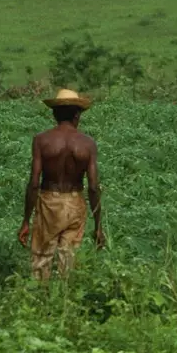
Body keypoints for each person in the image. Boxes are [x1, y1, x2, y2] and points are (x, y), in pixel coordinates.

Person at [18, 88, 105, 280]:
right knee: (69, 257)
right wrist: (98, 224)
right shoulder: (87, 143)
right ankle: (66, 299)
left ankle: (41, 299)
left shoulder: (42, 141)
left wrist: (26, 220)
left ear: (55, 114)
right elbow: (93, 186)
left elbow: (34, 182)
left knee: (42, 257)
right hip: (75, 202)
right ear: (77, 115)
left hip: (49, 200)